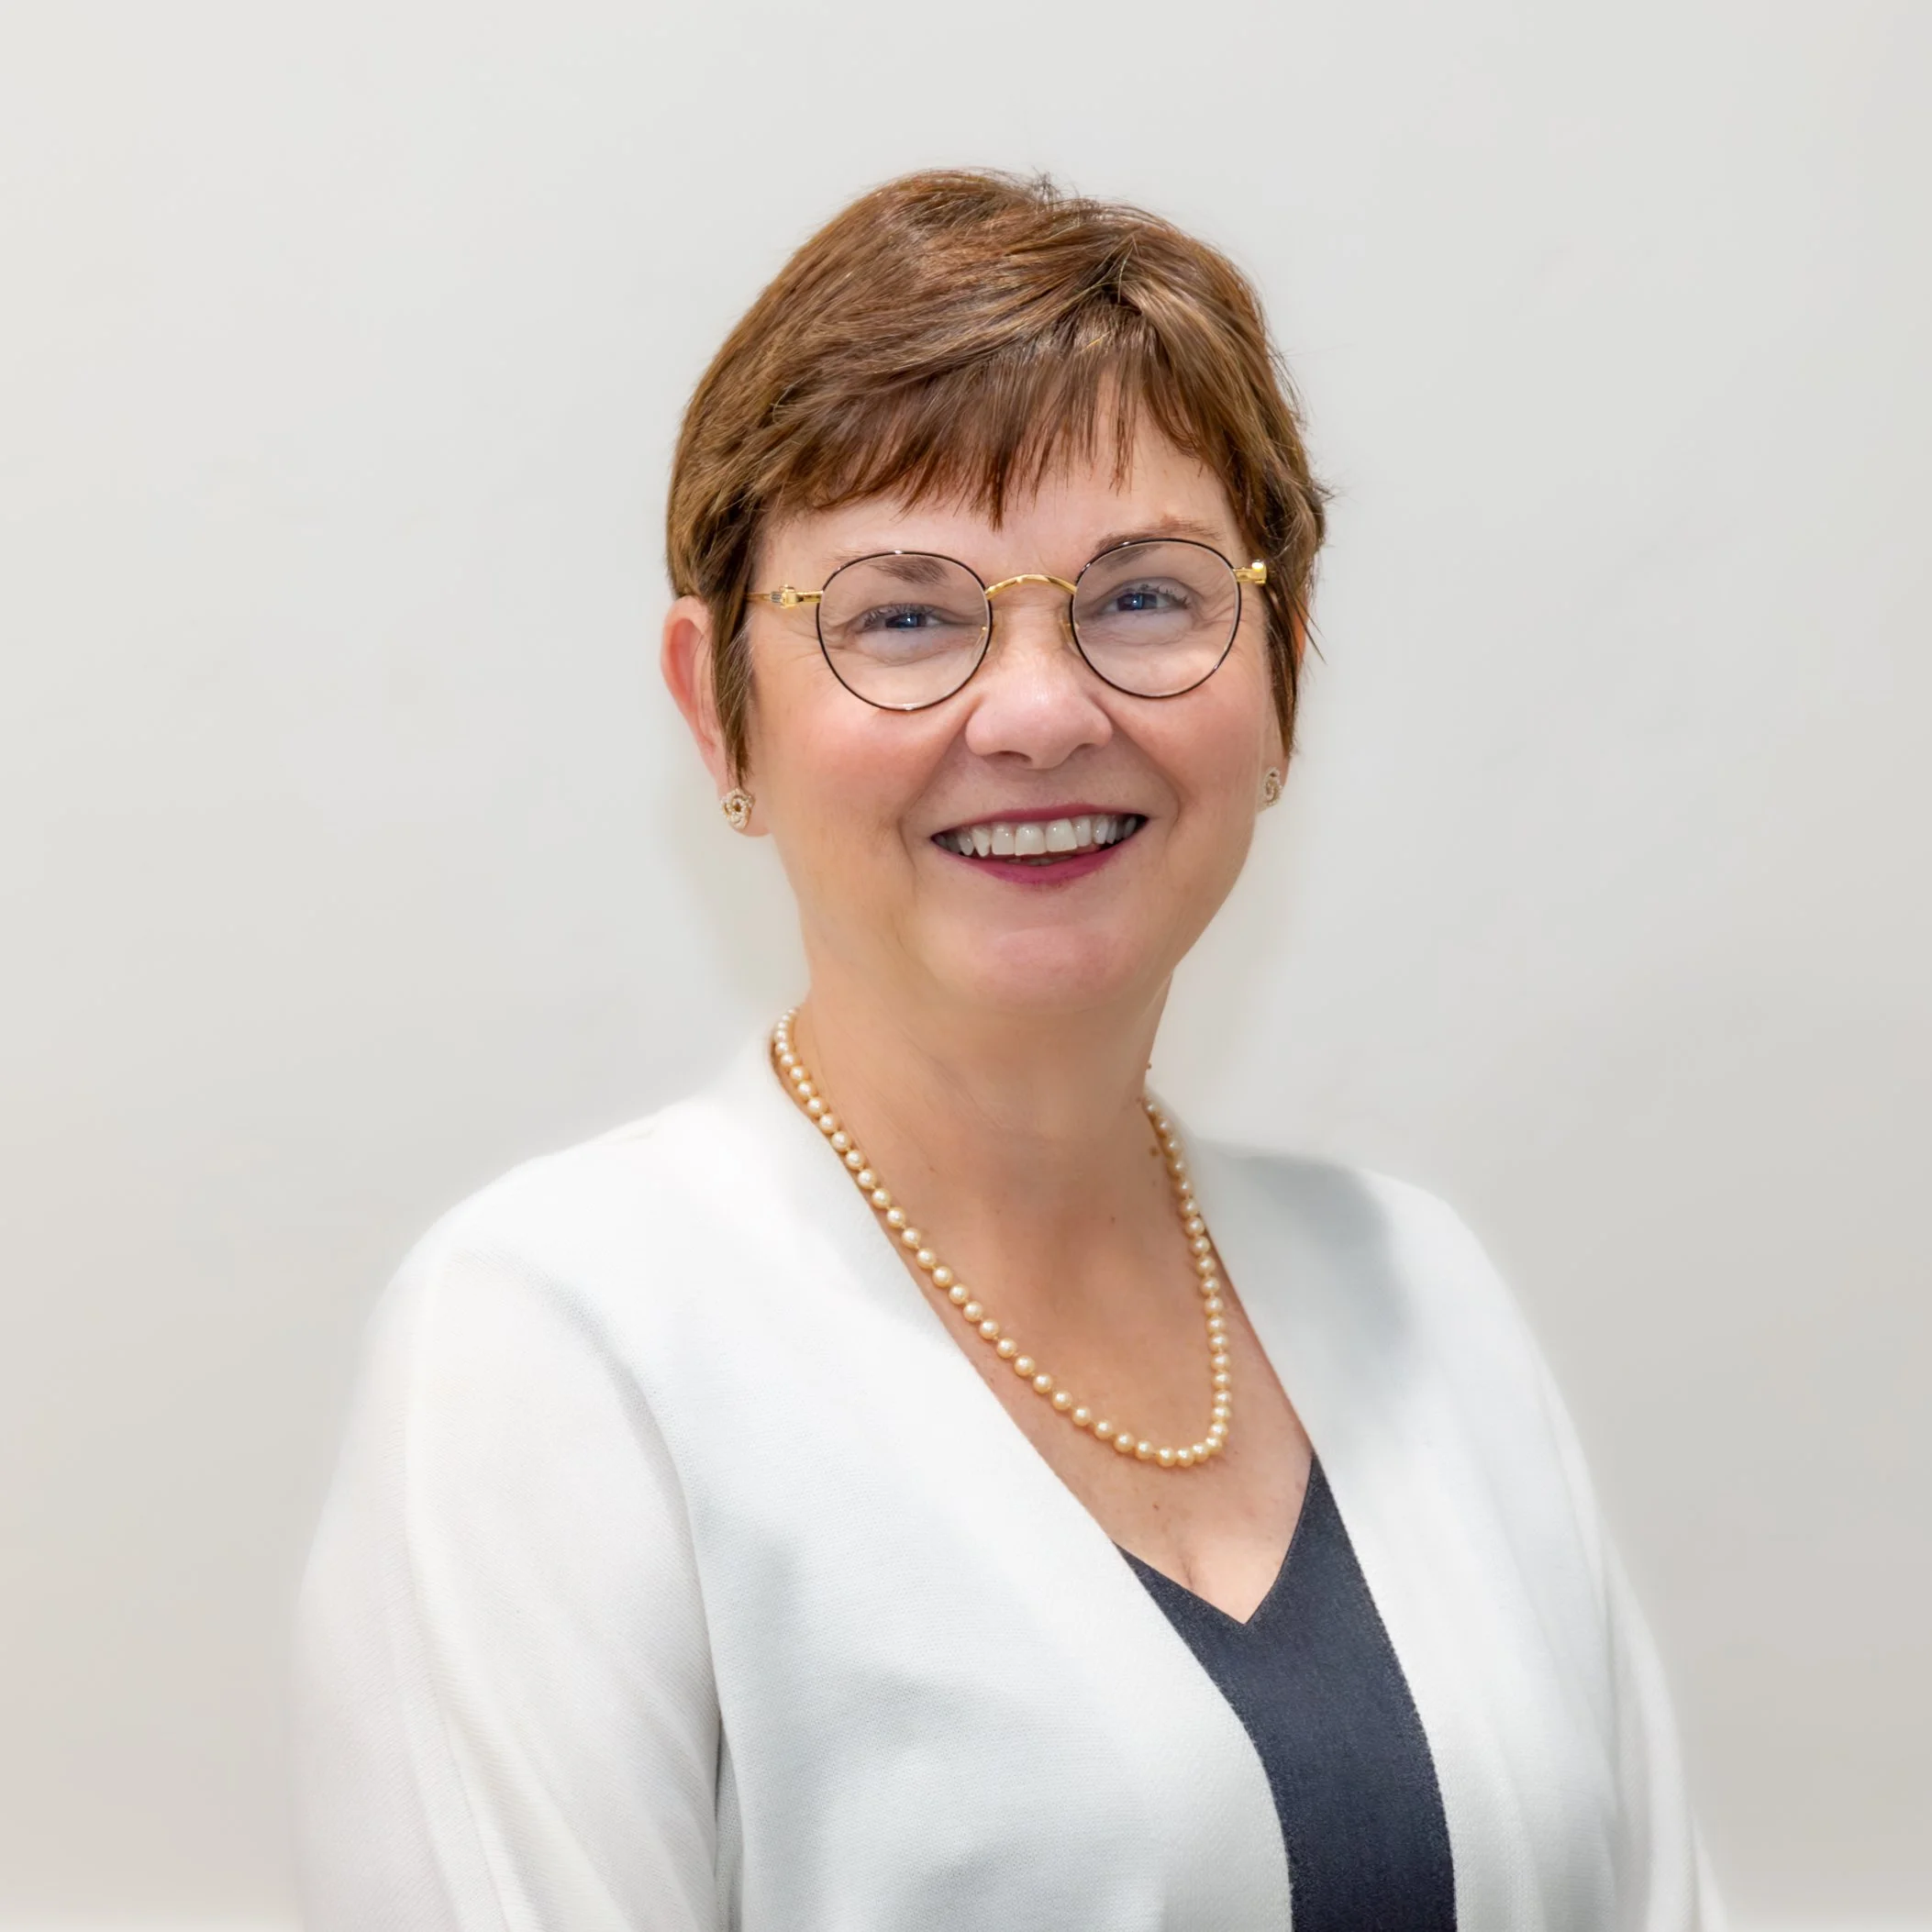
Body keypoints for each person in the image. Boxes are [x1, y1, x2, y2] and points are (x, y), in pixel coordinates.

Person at [294, 170, 1721, 1931]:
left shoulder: (1423, 1294)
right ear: (714, 712)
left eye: (1143, 597)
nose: (1041, 710)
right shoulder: (555, 1343)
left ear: (1278, 672)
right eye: (902, 611)